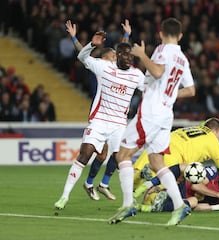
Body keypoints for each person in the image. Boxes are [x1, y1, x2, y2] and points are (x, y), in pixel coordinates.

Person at [108, 17, 195, 226]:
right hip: (166, 115)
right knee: (157, 162)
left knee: (122, 155)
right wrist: (171, 95)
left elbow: (157, 71)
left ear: (161, 34)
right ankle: (180, 205)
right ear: (181, 35)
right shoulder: (183, 58)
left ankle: (128, 204)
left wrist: (142, 54)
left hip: (151, 112)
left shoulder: (163, 50)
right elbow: (191, 90)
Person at [54, 27, 145, 210]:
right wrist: (90, 44)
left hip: (119, 125)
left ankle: (125, 200)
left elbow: (151, 91)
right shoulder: (104, 67)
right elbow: (82, 58)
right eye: (126, 56)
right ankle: (64, 197)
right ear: (117, 56)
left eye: (132, 56)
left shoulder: (137, 75)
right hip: (99, 121)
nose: (130, 59)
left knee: (122, 159)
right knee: (85, 155)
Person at [64, 19, 132, 201]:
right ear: (105, 59)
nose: (116, 59)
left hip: (115, 117)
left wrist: (126, 35)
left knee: (109, 155)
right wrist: (74, 38)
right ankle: (93, 183)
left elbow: (122, 53)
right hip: (101, 114)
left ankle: (99, 184)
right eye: (113, 57)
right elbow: (83, 54)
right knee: (102, 155)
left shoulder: (116, 69)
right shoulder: (100, 67)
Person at [133, 117, 219, 212]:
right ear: (214, 131)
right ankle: (149, 201)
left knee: (132, 181)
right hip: (172, 156)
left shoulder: (193, 129)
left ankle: (135, 193)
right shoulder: (212, 141)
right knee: (156, 196)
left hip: (158, 144)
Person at [138, 164, 219, 212]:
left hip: (175, 201)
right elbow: (195, 186)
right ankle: (152, 181)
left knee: (193, 201)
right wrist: (217, 194)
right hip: (176, 189)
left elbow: (197, 208)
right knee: (185, 168)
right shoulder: (214, 173)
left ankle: (154, 205)